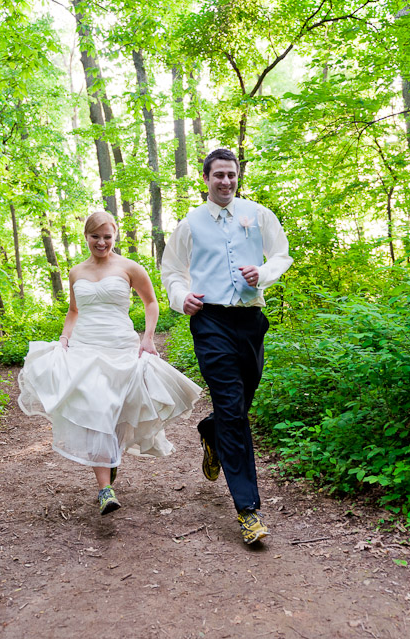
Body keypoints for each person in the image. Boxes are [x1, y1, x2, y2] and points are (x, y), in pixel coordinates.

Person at [18, 211, 202, 515]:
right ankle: (105, 489)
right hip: (85, 349)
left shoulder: (130, 267)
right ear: (86, 237)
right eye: (95, 236)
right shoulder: (76, 272)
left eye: (107, 236)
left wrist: (148, 338)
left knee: (116, 411)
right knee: (97, 409)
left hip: (121, 347)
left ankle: (109, 459)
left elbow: (151, 302)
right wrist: (64, 338)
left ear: (114, 236)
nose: (101, 242)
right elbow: (74, 311)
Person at [161, 148, 293, 545]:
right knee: (233, 408)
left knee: (238, 404)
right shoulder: (190, 224)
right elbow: (171, 271)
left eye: (231, 175)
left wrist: (264, 273)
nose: (225, 182)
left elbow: (282, 255)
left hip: (250, 319)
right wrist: (180, 296)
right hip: (210, 320)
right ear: (206, 178)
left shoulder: (258, 214)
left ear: (238, 177)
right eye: (218, 175)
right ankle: (248, 510)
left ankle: (210, 430)